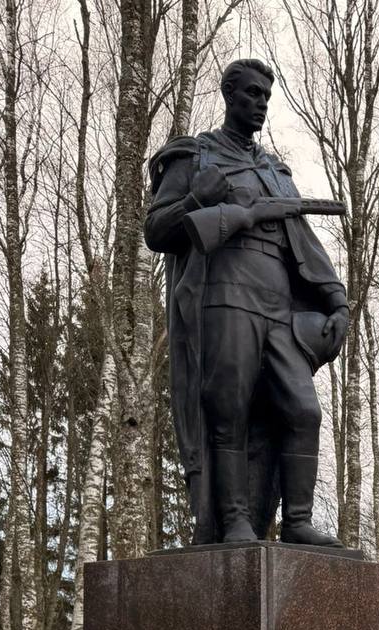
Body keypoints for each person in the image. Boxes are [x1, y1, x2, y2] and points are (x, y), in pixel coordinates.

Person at [145, 59, 350, 546]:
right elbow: (156, 230)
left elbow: (303, 242)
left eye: (265, 97)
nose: (260, 104)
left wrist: (336, 300)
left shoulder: (275, 172)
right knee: (228, 408)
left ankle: (297, 521)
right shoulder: (196, 156)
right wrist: (196, 199)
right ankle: (233, 518)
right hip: (225, 295)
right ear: (229, 95)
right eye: (252, 94)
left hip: (280, 303)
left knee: (303, 410)